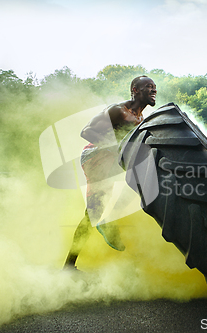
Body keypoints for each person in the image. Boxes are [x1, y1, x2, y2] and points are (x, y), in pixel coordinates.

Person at [63, 75, 157, 269]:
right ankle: (70, 263)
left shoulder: (141, 119)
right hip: (95, 156)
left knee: (141, 180)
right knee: (94, 211)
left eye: (155, 87)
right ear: (135, 90)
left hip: (113, 161)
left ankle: (71, 262)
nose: (154, 90)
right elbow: (86, 131)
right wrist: (113, 147)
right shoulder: (119, 110)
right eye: (148, 87)